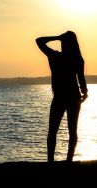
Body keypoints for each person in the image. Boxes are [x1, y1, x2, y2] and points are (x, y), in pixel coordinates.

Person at [36, 31, 88, 162]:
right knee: (72, 130)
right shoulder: (76, 58)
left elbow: (39, 41)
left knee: (53, 130)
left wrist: (57, 37)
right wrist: (85, 93)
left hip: (61, 97)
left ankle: (50, 161)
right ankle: (68, 161)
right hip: (72, 97)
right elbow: (81, 80)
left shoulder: (55, 56)